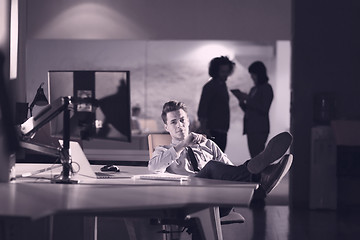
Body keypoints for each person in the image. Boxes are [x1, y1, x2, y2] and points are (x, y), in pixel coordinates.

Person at [149, 100, 293, 216]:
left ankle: (257, 177)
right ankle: (260, 179)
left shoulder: (207, 144)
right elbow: (153, 168)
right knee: (211, 166)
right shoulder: (164, 150)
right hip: (188, 199)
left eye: (182, 120)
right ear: (166, 127)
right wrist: (182, 145)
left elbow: (231, 171)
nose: (179, 125)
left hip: (219, 199)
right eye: (173, 122)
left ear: (189, 121)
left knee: (222, 169)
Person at [237, 61, 274, 184]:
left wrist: (248, 99)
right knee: (254, 156)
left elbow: (264, 108)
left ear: (259, 74)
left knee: (258, 156)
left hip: (259, 128)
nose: (252, 77)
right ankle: (257, 180)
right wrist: (242, 103)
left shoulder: (266, 88)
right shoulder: (254, 89)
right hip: (251, 127)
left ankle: (261, 181)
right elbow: (250, 109)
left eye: (253, 74)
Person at [197, 56, 235, 152]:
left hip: (222, 129)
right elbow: (203, 109)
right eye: (222, 72)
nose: (225, 75)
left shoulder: (223, 85)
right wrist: (205, 130)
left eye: (227, 72)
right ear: (216, 71)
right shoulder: (210, 87)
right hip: (212, 130)